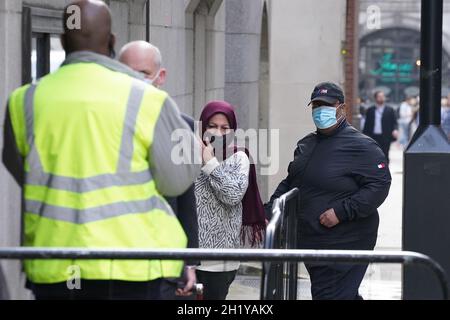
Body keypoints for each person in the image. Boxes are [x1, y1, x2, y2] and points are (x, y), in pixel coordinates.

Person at [2, 0, 201, 300]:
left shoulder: (24, 100)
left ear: (62, 39)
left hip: (57, 267)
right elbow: (176, 181)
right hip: (135, 266)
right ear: (111, 42)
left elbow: (21, 169)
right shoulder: (146, 98)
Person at [265, 82, 392, 300]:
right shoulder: (306, 144)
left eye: (326, 105)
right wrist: (270, 209)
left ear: (341, 108)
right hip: (313, 241)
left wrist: (342, 212)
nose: (320, 110)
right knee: (341, 295)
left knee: (330, 295)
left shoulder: (363, 146)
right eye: (316, 105)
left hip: (344, 242)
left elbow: (379, 185)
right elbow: (293, 182)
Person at [118, 41, 199, 297]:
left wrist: (189, 261)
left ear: (160, 76)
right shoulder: (105, 119)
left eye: (142, 73)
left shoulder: (180, 125)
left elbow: (185, 199)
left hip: (162, 258)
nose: (134, 80)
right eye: (126, 72)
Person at [195, 101, 266, 300]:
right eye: (212, 126)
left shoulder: (239, 157)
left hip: (219, 259)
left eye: (225, 128)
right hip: (188, 257)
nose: (218, 133)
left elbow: (232, 195)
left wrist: (210, 163)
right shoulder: (188, 153)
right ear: (202, 127)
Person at [363, 91, 399, 163]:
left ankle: (384, 170)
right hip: (373, 136)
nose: (382, 98)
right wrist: (365, 136)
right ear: (375, 98)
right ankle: (377, 170)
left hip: (385, 136)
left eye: (383, 96)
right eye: (379, 96)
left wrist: (395, 130)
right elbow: (367, 124)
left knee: (385, 154)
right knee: (374, 154)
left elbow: (394, 122)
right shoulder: (370, 110)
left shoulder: (390, 110)